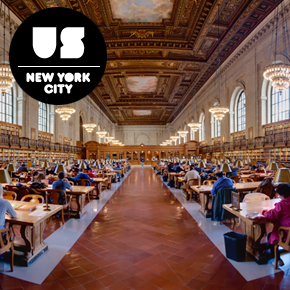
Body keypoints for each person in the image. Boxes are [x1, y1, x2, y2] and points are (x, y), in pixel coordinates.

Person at [262, 184, 290, 267]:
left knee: (271, 235)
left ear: (281, 194)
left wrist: (264, 212)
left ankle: (277, 259)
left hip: (287, 235)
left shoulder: (282, 205)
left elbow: (271, 215)